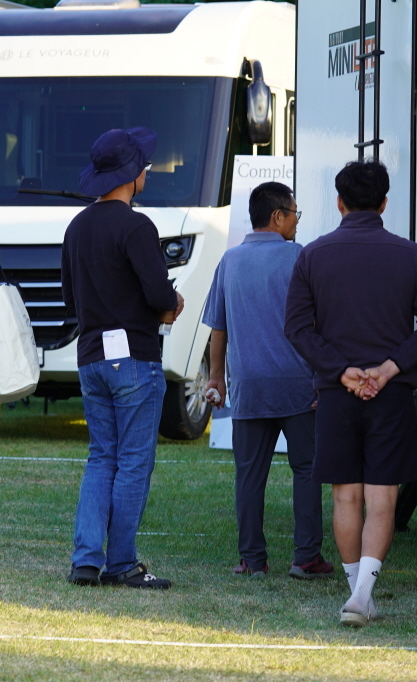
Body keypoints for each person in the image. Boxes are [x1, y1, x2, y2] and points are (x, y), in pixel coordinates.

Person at [283, 161, 417, 628]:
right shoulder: (413, 256)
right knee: (382, 498)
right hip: (391, 394)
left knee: (345, 497)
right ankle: (364, 593)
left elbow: (296, 327)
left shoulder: (312, 255)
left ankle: (356, 590)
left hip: (335, 393)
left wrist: (343, 371)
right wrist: (390, 368)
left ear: (339, 202)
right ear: (384, 204)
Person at [61, 127, 182, 590]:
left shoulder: (76, 226)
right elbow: (158, 294)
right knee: (133, 462)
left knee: (101, 458)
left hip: (91, 356)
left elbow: (72, 301)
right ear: (132, 175)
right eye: (144, 166)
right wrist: (172, 303)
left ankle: (86, 559)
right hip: (135, 356)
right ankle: (123, 563)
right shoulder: (137, 226)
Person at [203, 181, 330, 580]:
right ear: (278, 216)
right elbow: (319, 326)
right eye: (294, 213)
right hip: (298, 385)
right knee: (307, 470)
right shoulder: (301, 258)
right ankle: (306, 557)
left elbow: (217, 329)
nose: (296, 221)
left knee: (249, 474)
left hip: (249, 387)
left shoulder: (230, 261)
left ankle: (252, 560)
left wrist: (217, 379)